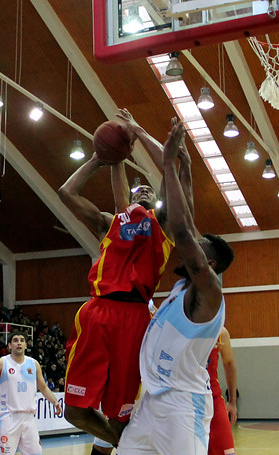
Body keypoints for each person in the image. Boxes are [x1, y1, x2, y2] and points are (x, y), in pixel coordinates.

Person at [58, 110, 193, 454]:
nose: (145, 192)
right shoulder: (110, 223)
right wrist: (99, 159)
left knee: (120, 413)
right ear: (131, 199)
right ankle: (132, 445)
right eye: (139, 190)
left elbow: (171, 175)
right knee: (73, 410)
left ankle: (126, 441)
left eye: (150, 191)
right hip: (98, 309)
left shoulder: (160, 226)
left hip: (135, 318)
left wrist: (137, 131)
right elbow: (66, 192)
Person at [117, 119, 234, 455]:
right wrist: (186, 166)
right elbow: (189, 215)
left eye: (200, 248)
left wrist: (167, 162)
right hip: (152, 404)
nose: (191, 245)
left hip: (184, 407)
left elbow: (182, 230)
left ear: (208, 264)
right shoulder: (186, 286)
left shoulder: (210, 292)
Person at [0, 331, 62, 455]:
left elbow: (44, 387)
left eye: (22, 340)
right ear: (9, 346)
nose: (19, 343)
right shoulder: (1, 363)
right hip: (9, 417)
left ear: (26, 345)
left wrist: (55, 402)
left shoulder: (34, 364)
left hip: (29, 418)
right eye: (15, 340)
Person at [207, 327, 238, 455]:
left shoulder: (220, 332)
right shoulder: (177, 327)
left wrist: (232, 402)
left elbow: (229, 363)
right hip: (184, 401)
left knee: (227, 450)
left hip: (213, 399)